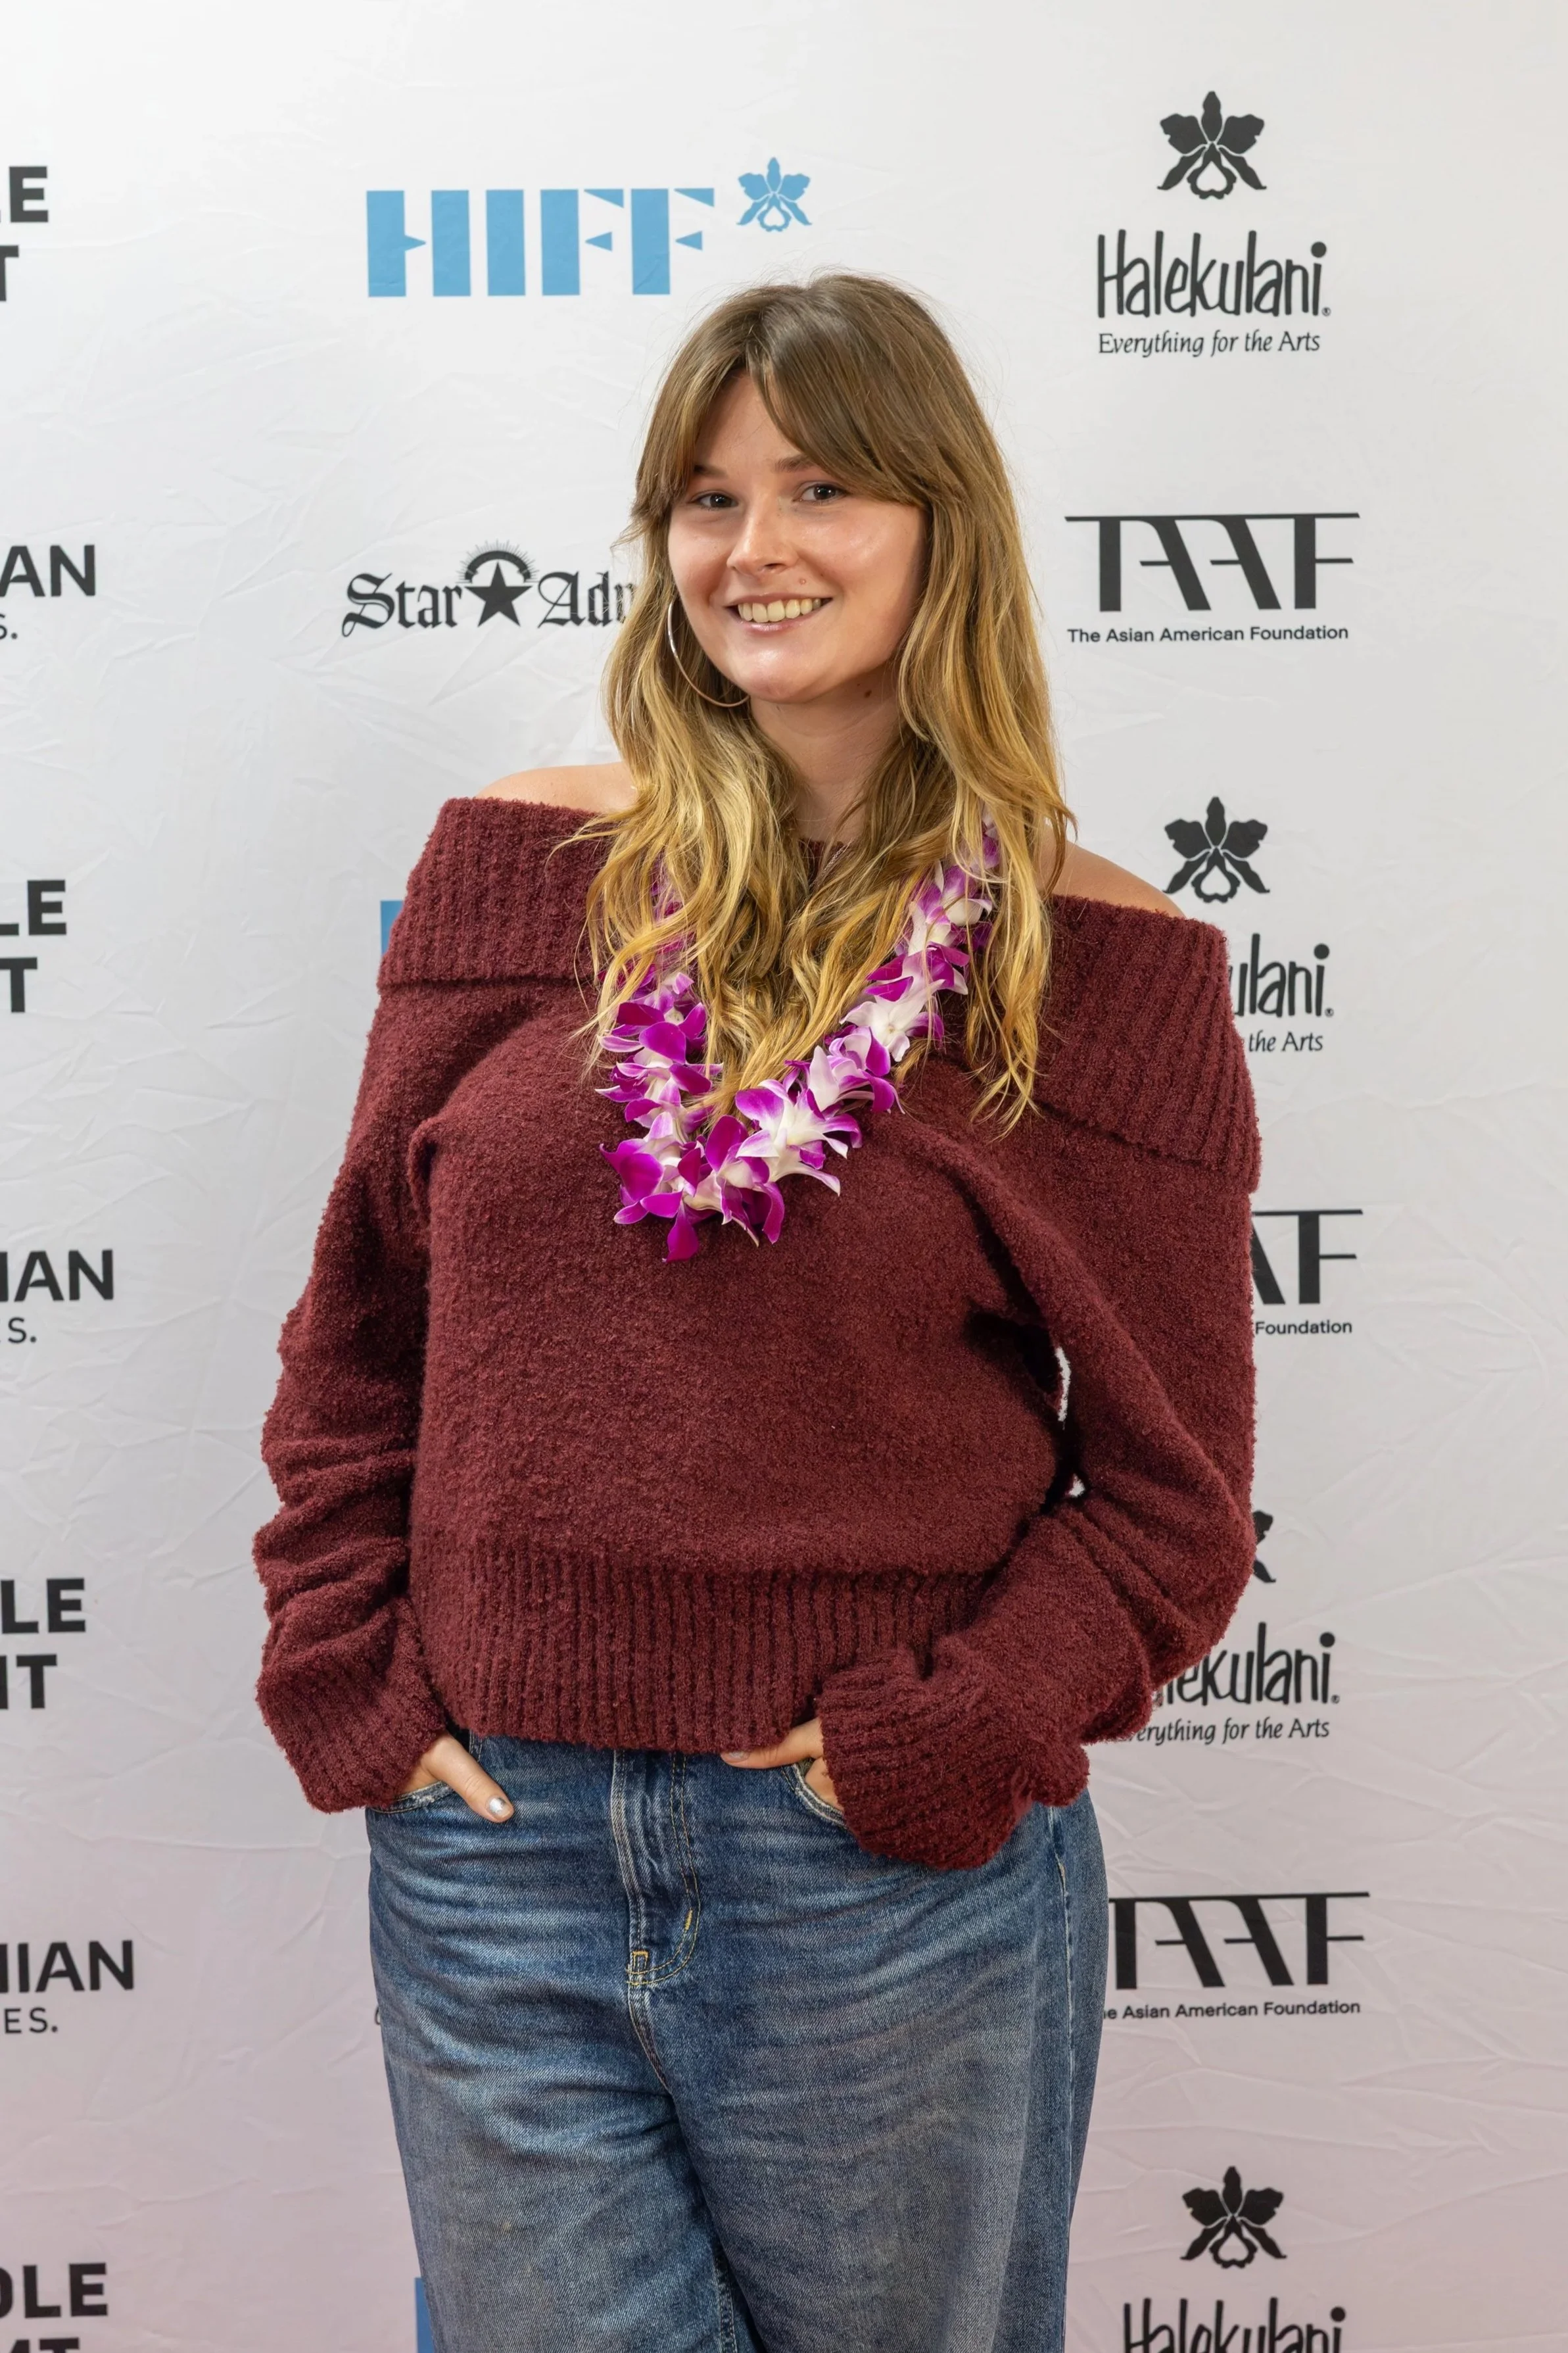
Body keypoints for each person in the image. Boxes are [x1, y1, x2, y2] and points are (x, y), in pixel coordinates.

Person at [252, 274, 1258, 2353]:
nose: (754, 547)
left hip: (871, 1875)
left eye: (820, 488)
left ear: (941, 524)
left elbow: (1176, 1503)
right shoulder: (518, 869)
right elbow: (360, 1335)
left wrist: (948, 1731)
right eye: (706, 499)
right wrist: (352, 1669)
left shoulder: (1096, 962)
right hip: (495, 1851)